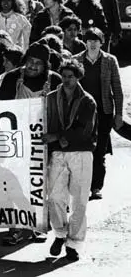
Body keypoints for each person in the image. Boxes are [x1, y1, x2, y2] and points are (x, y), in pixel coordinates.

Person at [0, 43, 62, 245]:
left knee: (40, 185)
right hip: (17, 141)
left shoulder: (55, 80)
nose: (33, 66)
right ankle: (15, 227)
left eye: (38, 63)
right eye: (30, 62)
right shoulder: (11, 79)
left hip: (45, 142)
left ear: (46, 66)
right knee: (15, 184)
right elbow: (1, 110)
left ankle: (38, 225)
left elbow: (61, 111)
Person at [43, 59, 97, 262]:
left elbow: (84, 129)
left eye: (71, 77)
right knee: (55, 196)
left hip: (81, 152)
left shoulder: (87, 101)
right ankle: (59, 233)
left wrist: (57, 136)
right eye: (64, 76)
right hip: (58, 153)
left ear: (78, 77)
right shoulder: (50, 98)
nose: (67, 80)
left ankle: (73, 243)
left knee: (80, 200)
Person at [73, 28, 123, 200]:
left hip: (104, 111)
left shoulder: (110, 61)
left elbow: (116, 88)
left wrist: (119, 115)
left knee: (99, 150)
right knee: (81, 149)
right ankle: (81, 186)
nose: (93, 43)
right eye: (89, 40)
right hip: (82, 112)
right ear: (85, 42)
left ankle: (96, 187)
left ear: (102, 42)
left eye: (96, 40)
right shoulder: (76, 60)